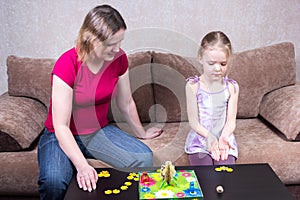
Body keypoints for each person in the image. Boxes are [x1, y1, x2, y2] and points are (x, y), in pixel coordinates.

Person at [37, 5, 162, 199]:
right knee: (54, 181)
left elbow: (126, 102)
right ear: (92, 39)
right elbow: (61, 126)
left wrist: (142, 133)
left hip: (97, 131)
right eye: (112, 43)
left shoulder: (119, 59)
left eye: (120, 42)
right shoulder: (66, 64)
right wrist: (82, 166)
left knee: (143, 158)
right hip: (59, 135)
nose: (118, 49)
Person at [184, 31, 239, 166]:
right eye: (211, 63)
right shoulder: (193, 86)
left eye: (223, 64)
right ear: (201, 58)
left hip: (223, 139)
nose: (217, 69)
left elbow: (231, 121)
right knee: (206, 175)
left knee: (225, 174)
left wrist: (224, 136)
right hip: (200, 140)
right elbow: (194, 123)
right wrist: (209, 136)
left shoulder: (232, 87)